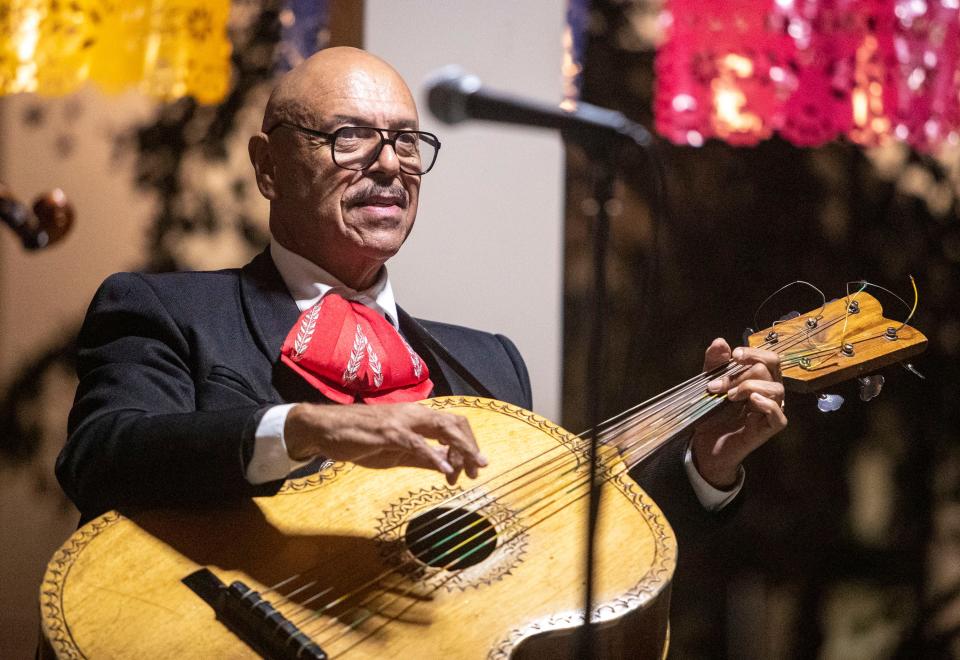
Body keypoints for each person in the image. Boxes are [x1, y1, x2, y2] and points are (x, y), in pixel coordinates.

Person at [56, 48, 786, 539]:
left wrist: (703, 469)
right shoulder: (168, 312)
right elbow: (100, 459)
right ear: (268, 166)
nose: (390, 165)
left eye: (407, 141)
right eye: (349, 136)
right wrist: (307, 429)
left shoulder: (489, 366)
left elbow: (545, 549)